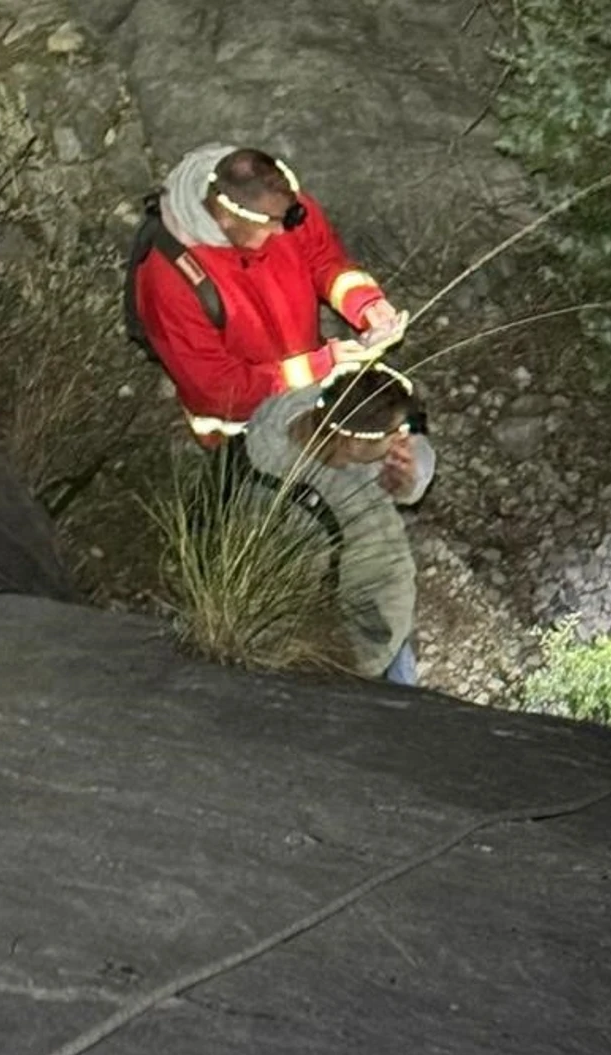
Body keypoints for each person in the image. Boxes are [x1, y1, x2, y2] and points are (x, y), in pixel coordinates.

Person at [130, 143, 403, 444]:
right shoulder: (170, 281)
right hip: (240, 428)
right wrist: (316, 367)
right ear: (226, 218)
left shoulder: (279, 206)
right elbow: (218, 389)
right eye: (271, 225)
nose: (282, 233)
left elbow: (323, 260)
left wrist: (365, 303)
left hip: (308, 393)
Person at [241, 359, 436, 684]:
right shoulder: (335, 516)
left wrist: (409, 480)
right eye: (395, 434)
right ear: (355, 444)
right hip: (355, 649)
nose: (403, 440)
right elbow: (379, 610)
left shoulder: (314, 407)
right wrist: (366, 668)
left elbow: (417, 454)